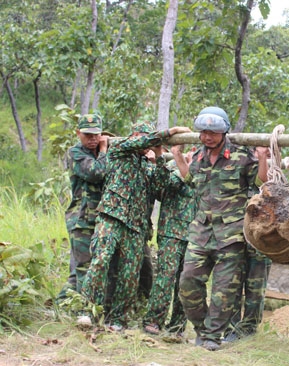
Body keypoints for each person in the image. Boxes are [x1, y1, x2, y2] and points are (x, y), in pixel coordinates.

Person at [173, 106, 269, 351]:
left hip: (231, 235)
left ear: (224, 131)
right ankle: (201, 330)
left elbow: (260, 184)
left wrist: (263, 159)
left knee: (224, 290)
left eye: (213, 132)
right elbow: (192, 181)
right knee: (188, 283)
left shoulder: (241, 155)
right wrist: (177, 157)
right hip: (201, 233)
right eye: (204, 132)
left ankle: (213, 337)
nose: (208, 137)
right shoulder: (197, 156)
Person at [81, 122, 191, 331]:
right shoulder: (120, 150)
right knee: (100, 261)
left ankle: (117, 320)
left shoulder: (148, 165)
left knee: (129, 275)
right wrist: (168, 133)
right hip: (112, 216)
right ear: (135, 136)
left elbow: (162, 187)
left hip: (136, 226)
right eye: (143, 137)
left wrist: (158, 157)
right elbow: (139, 142)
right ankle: (87, 311)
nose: (145, 142)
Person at [143, 145, 197, 336]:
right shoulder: (172, 166)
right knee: (165, 277)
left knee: (186, 282)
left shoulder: (205, 170)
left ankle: (177, 327)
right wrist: (181, 162)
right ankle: (154, 320)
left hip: (195, 236)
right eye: (194, 149)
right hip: (171, 232)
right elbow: (164, 186)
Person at [58, 114, 108, 303]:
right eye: (87, 135)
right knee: (83, 267)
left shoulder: (100, 152)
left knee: (80, 268)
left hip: (97, 218)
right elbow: (96, 172)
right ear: (78, 133)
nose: (92, 139)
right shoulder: (75, 153)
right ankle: (84, 308)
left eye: (96, 135)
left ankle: (61, 304)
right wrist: (104, 150)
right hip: (81, 219)